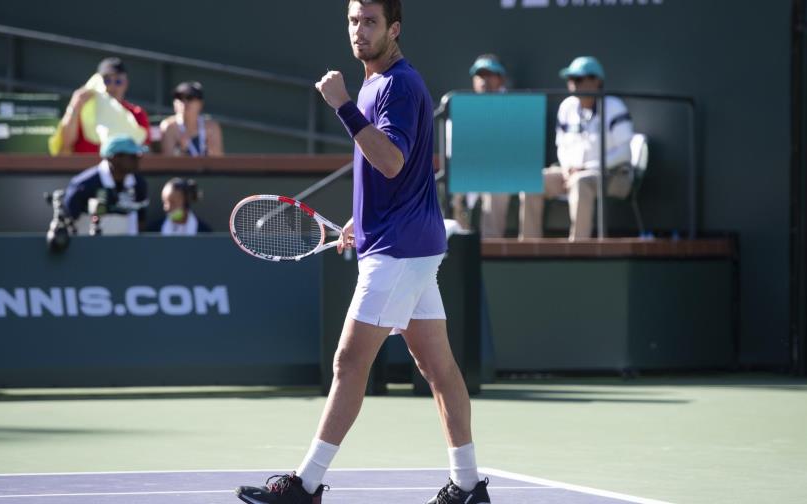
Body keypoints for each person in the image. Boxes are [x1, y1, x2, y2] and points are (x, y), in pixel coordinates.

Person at [235, 1, 491, 504]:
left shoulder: (395, 84)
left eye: (370, 21)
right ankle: (467, 485)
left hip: (398, 250)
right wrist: (364, 218)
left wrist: (343, 106)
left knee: (349, 363)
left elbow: (393, 161)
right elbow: (399, 169)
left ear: (393, 29)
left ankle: (305, 485)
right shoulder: (382, 83)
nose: (359, 30)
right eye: (353, 20)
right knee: (439, 370)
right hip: (405, 241)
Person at [528, 56, 634, 240]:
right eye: (570, 79)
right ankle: (528, 245)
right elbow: (561, 145)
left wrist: (586, 168)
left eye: (578, 79)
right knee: (532, 182)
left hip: (615, 175)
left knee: (580, 181)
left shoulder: (614, 106)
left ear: (597, 81)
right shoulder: (566, 107)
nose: (573, 84)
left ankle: (579, 247)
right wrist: (568, 167)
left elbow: (625, 153)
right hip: (572, 172)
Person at [450, 54, 543, 239]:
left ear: (500, 79)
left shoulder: (516, 107)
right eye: (480, 75)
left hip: (508, 171)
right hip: (473, 171)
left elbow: (523, 149)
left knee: (495, 186)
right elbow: (455, 149)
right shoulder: (463, 108)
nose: (484, 80)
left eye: (489, 74)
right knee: (446, 188)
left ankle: (490, 247)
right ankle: (458, 241)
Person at [56, 57, 151, 155]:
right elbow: (66, 145)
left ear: (126, 84)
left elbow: (144, 149)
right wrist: (75, 105)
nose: (112, 86)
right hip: (84, 167)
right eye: (107, 81)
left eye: (118, 81)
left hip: (119, 168)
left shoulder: (136, 113)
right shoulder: (83, 109)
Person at [63, 135, 149, 235]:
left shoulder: (139, 183)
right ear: (114, 158)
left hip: (125, 247)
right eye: (133, 156)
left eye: (139, 156)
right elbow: (68, 221)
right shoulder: (84, 184)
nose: (138, 160)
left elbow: (141, 221)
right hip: (87, 247)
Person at [160, 81, 224, 157]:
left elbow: (218, 160)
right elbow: (168, 163)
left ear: (200, 104)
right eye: (179, 97)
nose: (184, 102)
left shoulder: (211, 127)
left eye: (190, 97)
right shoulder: (169, 127)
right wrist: (182, 150)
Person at [147, 178, 212, 235]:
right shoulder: (153, 231)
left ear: (186, 201)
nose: (167, 208)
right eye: (165, 202)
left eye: (173, 202)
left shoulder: (205, 232)